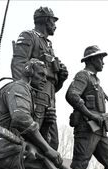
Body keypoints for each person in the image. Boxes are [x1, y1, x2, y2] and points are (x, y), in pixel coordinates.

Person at [11, 6, 68, 151]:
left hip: (49, 99)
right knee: (31, 139)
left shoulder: (49, 44)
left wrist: (60, 77)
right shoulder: (28, 36)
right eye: (53, 21)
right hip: (34, 98)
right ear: (47, 21)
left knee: (52, 142)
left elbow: (51, 84)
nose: (55, 26)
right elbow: (18, 66)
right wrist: (25, 95)